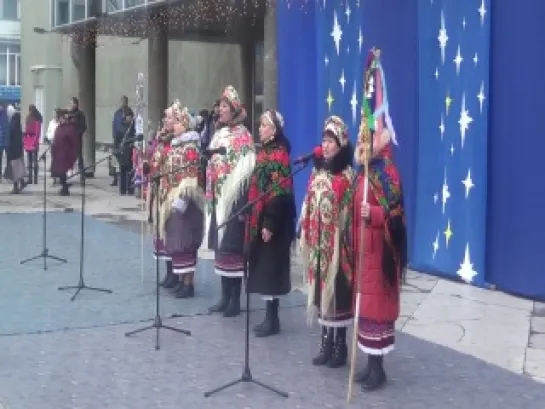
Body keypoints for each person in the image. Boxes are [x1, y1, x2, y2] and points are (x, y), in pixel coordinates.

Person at [352, 126, 407, 391]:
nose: (363, 141)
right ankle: (369, 364)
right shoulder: (363, 170)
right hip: (363, 249)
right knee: (366, 310)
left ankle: (379, 369)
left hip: (380, 251)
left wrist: (372, 213)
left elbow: (395, 216)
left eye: (367, 137)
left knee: (377, 312)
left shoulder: (387, 172)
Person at [299, 115, 355, 368]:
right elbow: (308, 199)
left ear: (341, 143)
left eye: (331, 140)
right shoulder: (317, 170)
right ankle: (325, 342)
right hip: (318, 242)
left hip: (337, 244)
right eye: (324, 139)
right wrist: (304, 221)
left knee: (338, 292)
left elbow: (349, 211)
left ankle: (339, 344)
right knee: (322, 291)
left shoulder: (347, 175)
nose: (327, 144)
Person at [205, 86, 256, 318]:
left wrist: (242, 202)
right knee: (221, 248)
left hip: (234, 200)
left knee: (233, 248)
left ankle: (236, 298)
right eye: (220, 106)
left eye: (225, 107)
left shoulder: (243, 137)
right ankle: (225, 296)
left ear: (234, 109)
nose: (221, 110)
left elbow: (246, 173)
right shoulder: (218, 134)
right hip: (218, 198)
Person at [246, 109, 296, 337]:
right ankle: (269, 316)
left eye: (264, 125)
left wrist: (269, 223)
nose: (259, 129)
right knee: (264, 268)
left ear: (274, 130)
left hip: (274, 220)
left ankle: (272, 318)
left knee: (271, 268)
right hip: (261, 216)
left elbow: (279, 192)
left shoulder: (279, 154)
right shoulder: (265, 152)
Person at [157, 103, 205, 298]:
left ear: (185, 124)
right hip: (172, 197)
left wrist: (184, 197)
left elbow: (192, 173)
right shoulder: (176, 145)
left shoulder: (190, 146)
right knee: (177, 239)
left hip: (186, 201)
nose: (174, 126)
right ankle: (180, 278)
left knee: (186, 240)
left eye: (177, 122)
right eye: (173, 122)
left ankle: (189, 282)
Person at [50, 110, 80, 196]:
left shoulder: (70, 128)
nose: (60, 120)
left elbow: (74, 142)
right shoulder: (59, 127)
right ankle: (64, 187)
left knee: (62, 171)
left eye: (61, 118)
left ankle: (65, 188)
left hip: (65, 154)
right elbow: (55, 139)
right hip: (58, 153)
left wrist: (74, 154)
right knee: (59, 172)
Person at [112, 96, 135, 188]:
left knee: (129, 170)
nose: (129, 118)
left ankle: (129, 188)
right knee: (122, 170)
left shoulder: (132, 127)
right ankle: (122, 189)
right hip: (122, 149)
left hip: (129, 150)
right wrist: (115, 147)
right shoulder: (119, 122)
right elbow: (116, 134)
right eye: (128, 117)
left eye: (130, 117)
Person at [5, 104, 27, 193]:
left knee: (14, 170)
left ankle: (16, 187)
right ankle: (21, 183)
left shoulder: (13, 123)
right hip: (17, 150)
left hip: (13, 150)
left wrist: (9, 149)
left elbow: (11, 137)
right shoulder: (16, 122)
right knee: (18, 169)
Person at [23, 104, 43, 184]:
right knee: (30, 161)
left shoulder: (37, 119)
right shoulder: (28, 118)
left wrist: (35, 142)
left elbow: (38, 132)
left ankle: (34, 179)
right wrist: (25, 140)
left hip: (33, 141)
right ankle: (30, 178)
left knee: (34, 161)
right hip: (29, 140)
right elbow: (26, 130)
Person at [69, 97, 87, 176]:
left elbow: (84, 126)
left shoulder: (80, 114)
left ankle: (82, 175)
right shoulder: (69, 114)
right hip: (69, 139)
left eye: (72, 103)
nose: (71, 105)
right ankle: (68, 174)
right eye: (71, 103)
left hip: (77, 139)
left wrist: (78, 133)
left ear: (76, 104)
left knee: (79, 157)